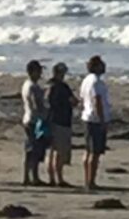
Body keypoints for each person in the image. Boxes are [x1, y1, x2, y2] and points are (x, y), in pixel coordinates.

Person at [79, 55, 111, 191]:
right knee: (94, 152)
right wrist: (102, 119)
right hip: (95, 119)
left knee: (88, 151)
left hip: (87, 117)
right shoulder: (95, 82)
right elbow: (97, 100)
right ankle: (90, 181)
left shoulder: (86, 80)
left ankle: (88, 179)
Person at [47, 62, 78, 187]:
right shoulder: (63, 87)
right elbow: (73, 101)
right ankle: (59, 178)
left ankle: (51, 178)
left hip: (50, 120)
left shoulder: (48, 85)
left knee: (52, 151)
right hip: (62, 121)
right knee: (60, 152)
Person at [21, 59, 48, 186]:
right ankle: (33, 177)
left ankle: (28, 176)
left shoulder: (26, 84)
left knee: (30, 149)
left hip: (28, 118)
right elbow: (36, 103)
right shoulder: (32, 86)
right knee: (34, 149)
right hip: (34, 120)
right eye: (39, 71)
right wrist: (45, 111)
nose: (41, 73)